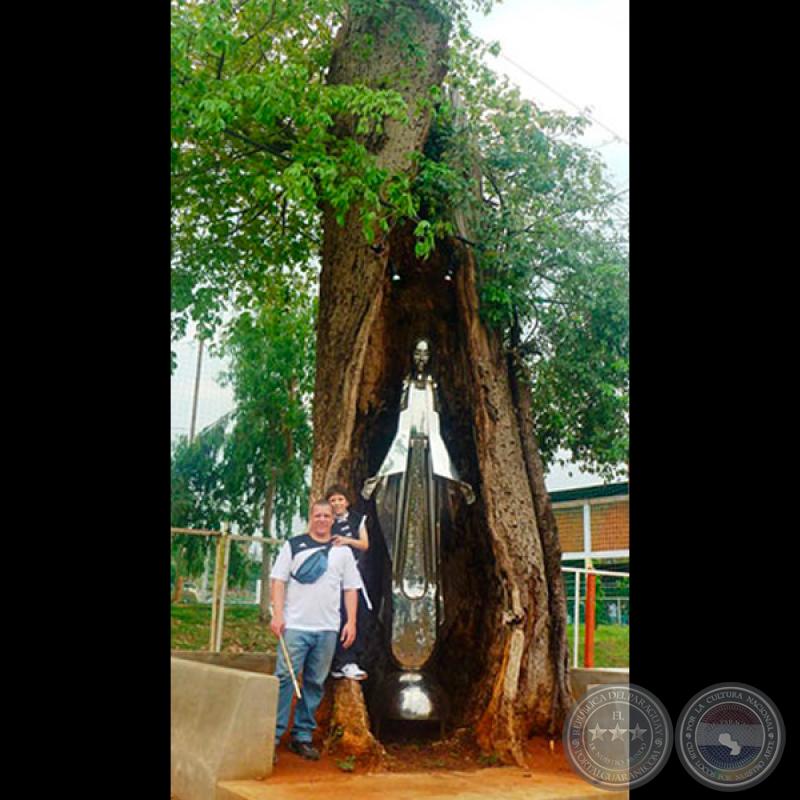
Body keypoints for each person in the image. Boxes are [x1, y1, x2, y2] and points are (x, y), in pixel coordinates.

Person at [269, 499, 362, 761]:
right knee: (285, 678)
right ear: (311, 518)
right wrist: (278, 614)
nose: (322, 520)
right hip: (295, 625)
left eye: (327, 516)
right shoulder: (294, 545)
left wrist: (351, 621)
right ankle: (272, 736)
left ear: (333, 520)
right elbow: (278, 580)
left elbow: (350, 588)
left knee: (314, 683)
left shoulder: (341, 551)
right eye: (317, 515)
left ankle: (302, 736)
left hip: (328, 628)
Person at [325, 484, 371, 681]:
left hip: (353, 572)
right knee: (337, 615)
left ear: (347, 501)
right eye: (332, 500)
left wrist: (346, 540)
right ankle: (339, 662)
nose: (336, 503)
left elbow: (364, 544)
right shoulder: (325, 521)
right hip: (333, 575)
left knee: (360, 614)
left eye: (340, 499)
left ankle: (351, 659)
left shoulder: (357, 519)